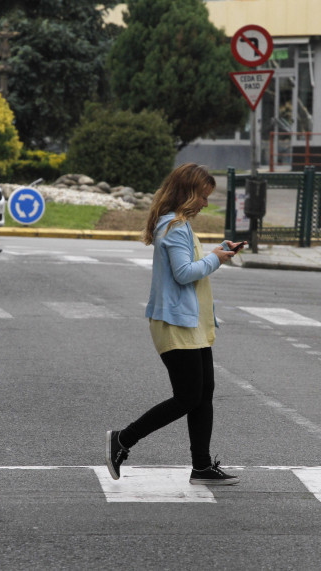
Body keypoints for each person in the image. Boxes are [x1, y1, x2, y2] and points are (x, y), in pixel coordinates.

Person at [105, 163, 243, 485]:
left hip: (191, 323)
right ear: (189, 193)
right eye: (204, 197)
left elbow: (188, 266)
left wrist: (216, 253)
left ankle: (202, 466)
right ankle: (123, 440)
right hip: (175, 323)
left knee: (203, 393)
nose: (206, 204)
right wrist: (217, 260)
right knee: (187, 397)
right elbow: (184, 274)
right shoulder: (174, 227)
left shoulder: (176, 225)